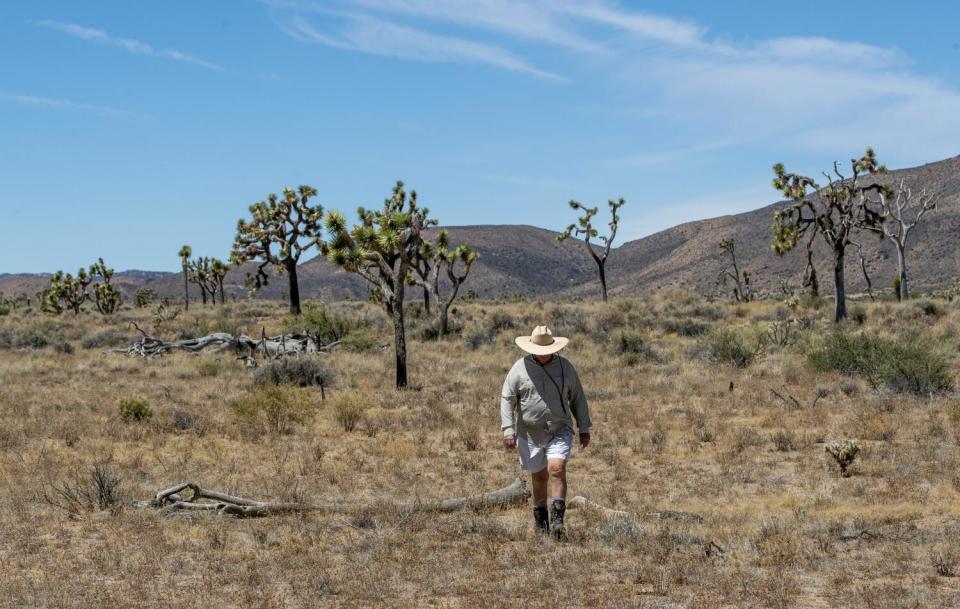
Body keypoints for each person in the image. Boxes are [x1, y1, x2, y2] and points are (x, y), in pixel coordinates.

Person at [500, 325, 591, 539]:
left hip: (559, 429)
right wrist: (508, 429)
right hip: (530, 433)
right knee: (539, 476)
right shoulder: (519, 368)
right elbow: (507, 399)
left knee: (556, 468)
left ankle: (558, 522)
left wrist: (584, 427)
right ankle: (541, 525)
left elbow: (578, 397)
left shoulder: (565, 368)